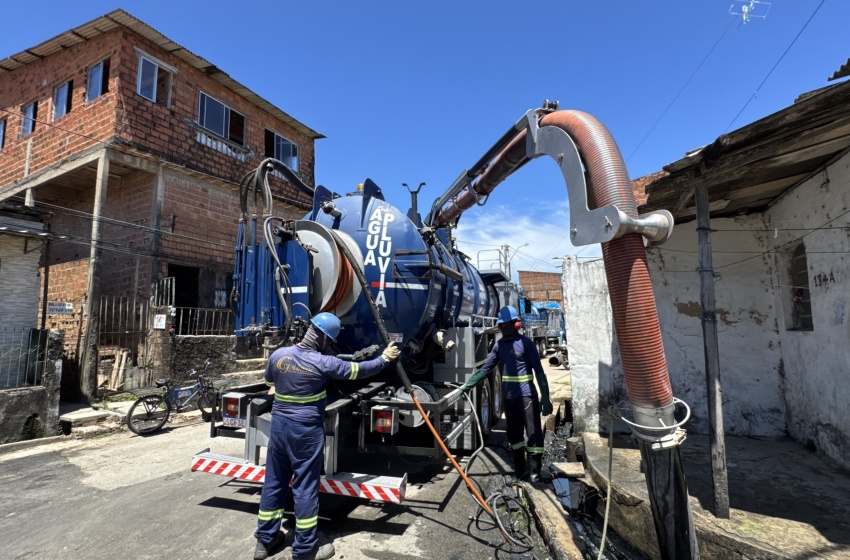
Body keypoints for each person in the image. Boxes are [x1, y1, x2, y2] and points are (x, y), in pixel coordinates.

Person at [254, 312, 401, 560]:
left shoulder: (278, 356)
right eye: (330, 341)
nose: (330, 345)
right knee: (305, 487)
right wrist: (384, 359)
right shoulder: (324, 363)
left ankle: (265, 541)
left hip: (278, 428)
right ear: (323, 338)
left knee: (274, 482)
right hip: (306, 431)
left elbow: (270, 381)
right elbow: (359, 370)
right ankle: (305, 550)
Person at [460, 305, 552, 482]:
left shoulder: (526, 343)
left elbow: (539, 372)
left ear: (515, 324)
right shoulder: (498, 346)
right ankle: (520, 470)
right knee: (514, 434)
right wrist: (467, 386)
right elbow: (485, 370)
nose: (504, 328)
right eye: (502, 326)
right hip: (509, 399)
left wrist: (545, 398)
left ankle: (535, 472)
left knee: (533, 434)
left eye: (507, 324)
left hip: (527, 396)